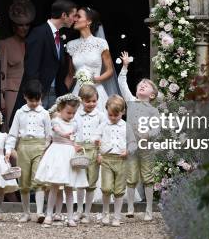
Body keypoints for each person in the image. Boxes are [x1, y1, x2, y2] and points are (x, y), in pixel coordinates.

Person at [12, 0, 77, 120]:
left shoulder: (60, 37)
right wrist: (35, 97)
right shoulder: (39, 33)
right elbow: (31, 68)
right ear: (64, 15)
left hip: (55, 93)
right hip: (39, 94)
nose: (75, 19)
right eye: (73, 15)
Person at [118, 51, 161, 221]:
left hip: (146, 147)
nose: (142, 85)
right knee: (131, 176)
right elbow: (122, 83)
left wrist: (148, 134)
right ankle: (130, 206)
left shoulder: (153, 110)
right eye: (140, 84)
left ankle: (149, 209)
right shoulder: (131, 101)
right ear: (136, 92)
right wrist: (125, 66)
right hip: (131, 146)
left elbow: (157, 129)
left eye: (146, 85)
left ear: (152, 95)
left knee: (148, 177)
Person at [34, 94, 87, 227]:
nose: (71, 115)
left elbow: (73, 140)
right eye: (68, 112)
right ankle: (48, 215)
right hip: (57, 154)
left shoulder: (74, 123)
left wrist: (77, 147)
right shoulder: (56, 121)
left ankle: (69, 217)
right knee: (54, 186)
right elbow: (57, 131)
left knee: (69, 189)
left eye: (73, 113)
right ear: (60, 109)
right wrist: (64, 134)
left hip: (69, 155)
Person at [5, 79, 51, 223]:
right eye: (31, 100)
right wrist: (8, 149)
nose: (34, 103)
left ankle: (39, 212)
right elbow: (13, 133)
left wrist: (46, 149)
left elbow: (48, 135)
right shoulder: (20, 113)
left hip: (39, 148)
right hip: (23, 148)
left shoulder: (44, 113)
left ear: (41, 97)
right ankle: (26, 212)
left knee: (38, 179)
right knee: (23, 181)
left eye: (37, 100)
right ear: (25, 96)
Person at [66, 7, 115, 112]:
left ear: (88, 21)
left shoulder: (101, 43)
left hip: (96, 91)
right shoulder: (71, 45)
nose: (75, 20)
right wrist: (65, 96)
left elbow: (110, 70)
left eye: (78, 16)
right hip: (77, 93)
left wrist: (96, 79)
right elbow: (70, 74)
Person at [0, 0, 35, 130]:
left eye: (27, 25)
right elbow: (2, 71)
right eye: (20, 25)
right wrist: (1, 98)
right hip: (11, 92)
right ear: (14, 26)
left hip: (29, 92)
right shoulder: (5, 44)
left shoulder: (32, 43)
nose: (24, 28)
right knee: (11, 125)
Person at [96, 95, 134, 227]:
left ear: (122, 112)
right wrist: (98, 151)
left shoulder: (127, 127)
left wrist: (128, 151)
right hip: (107, 159)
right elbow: (96, 139)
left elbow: (133, 143)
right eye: (110, 115)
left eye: (115, 115)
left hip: (121, 160)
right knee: (106, 188)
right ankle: (105, 213)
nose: (112, 118)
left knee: (119, 190)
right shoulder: (103, 125)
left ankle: (117, 216)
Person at [73, 84, 106, 224]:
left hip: (93, 150)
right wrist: (73, 145)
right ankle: (79, 210)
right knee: (80, 182)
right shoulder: (75, 115)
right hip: (80, 150)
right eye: (88, 101)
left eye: (94, 101)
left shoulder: (101, 116)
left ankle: (87, 212)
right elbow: (72, 132)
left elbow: (104, 136)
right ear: (81, 101)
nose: (91, 104)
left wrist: (100, 153)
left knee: (91, 183)